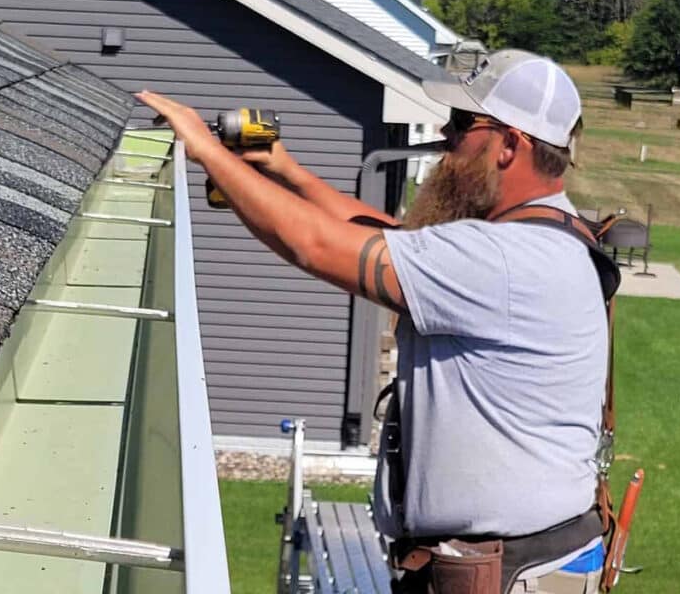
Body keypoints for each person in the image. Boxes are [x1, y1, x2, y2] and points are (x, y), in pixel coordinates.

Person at [137, 49, 608, 594]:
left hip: (502, 572)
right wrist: (285, 172)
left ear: (509, 145)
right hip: (510, 561)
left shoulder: (504, 258)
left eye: (462, 123)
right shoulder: (548, 235)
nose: (445, 134)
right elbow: (389, 241)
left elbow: (314, 245)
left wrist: (207, 152)